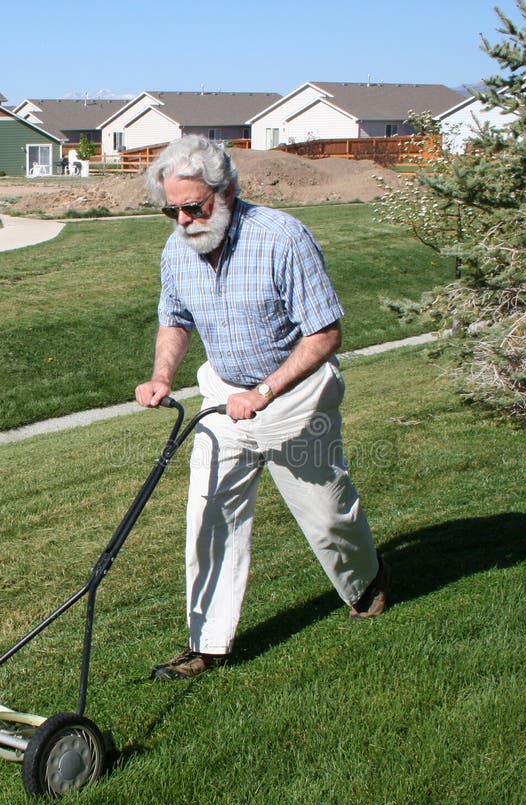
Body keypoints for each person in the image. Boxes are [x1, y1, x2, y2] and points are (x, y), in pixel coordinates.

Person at [135, 135, 390, 680]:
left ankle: (364, 583)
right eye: (171, 210)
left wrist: (267, 392)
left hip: (295, 394)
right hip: (224, 396)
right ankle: (207, 643)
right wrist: (162, 377)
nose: (182, 221)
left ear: (225, 191)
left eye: (193, 207)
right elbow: (174, 318)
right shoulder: (177, 248)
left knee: (326, 514)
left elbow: (325, 335)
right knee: (208, 516)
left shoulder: (282, 238)